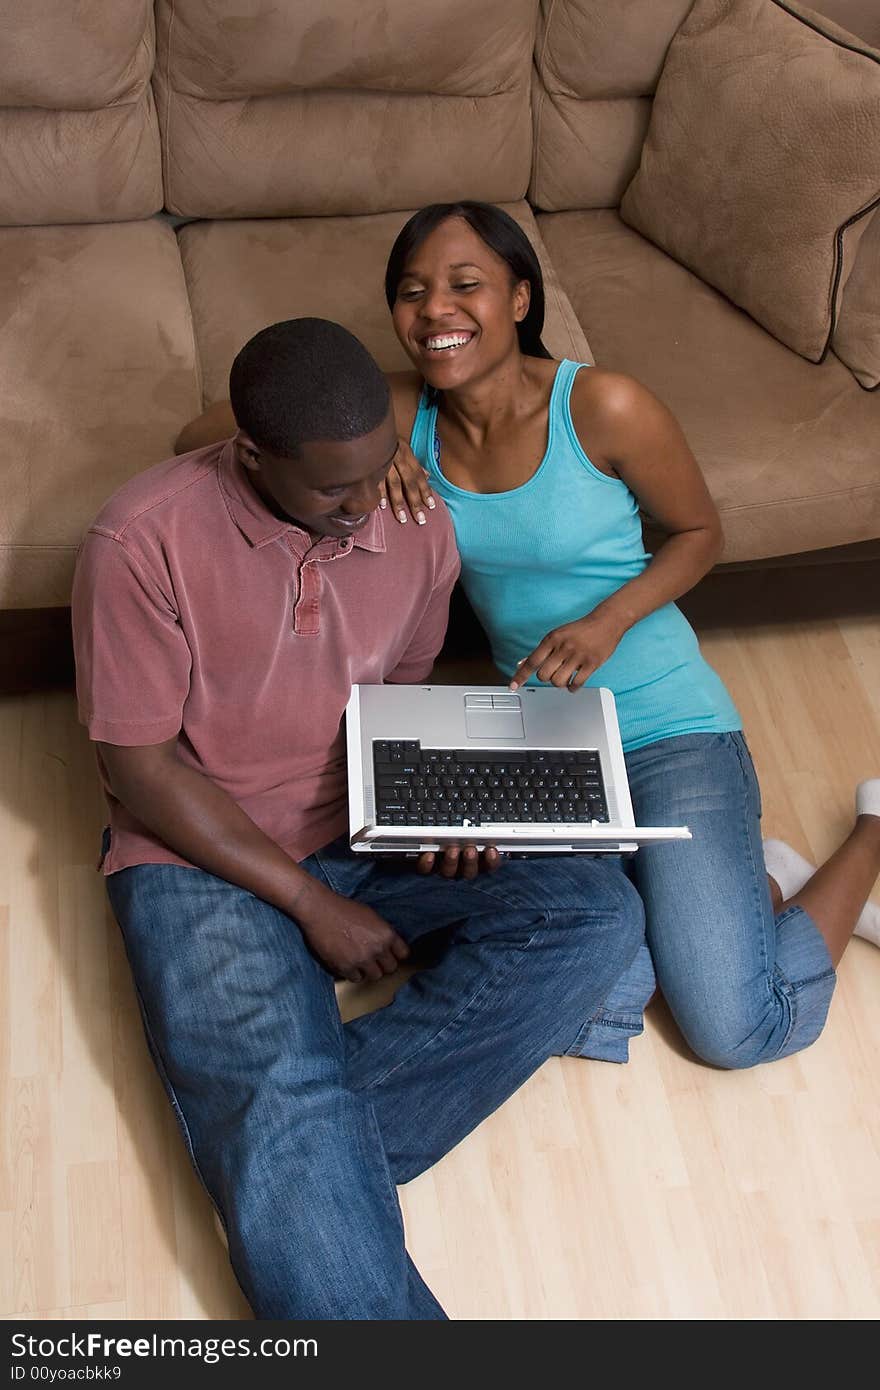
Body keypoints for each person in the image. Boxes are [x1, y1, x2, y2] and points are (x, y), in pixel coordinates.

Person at [177, 205, 880, 1077]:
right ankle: (751, 881)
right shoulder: (404, 421)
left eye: (465, 285)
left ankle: (872, 832)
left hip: (668, 724)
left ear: (519, 298)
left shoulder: (605, 404)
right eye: (412, 292)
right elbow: (205, 435)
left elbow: (700, 532)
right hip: (540, 738)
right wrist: (376, 453)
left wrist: (606, 621)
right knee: (595, 986)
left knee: (732, 1028)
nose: (436, 309)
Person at [72, 317, 644, 1321]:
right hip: (197, 852)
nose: (365, 502)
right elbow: (138, 766)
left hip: (363, 820)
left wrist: (431, 801)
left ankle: (287, 1148)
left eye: (379, 467)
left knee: (595, 914)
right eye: (332, 489)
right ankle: (287, 1146)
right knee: (282, 1114)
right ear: (249, 453)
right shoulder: (139, 540)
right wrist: (308, 902)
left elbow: (400, 683)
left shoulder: (414, 517)